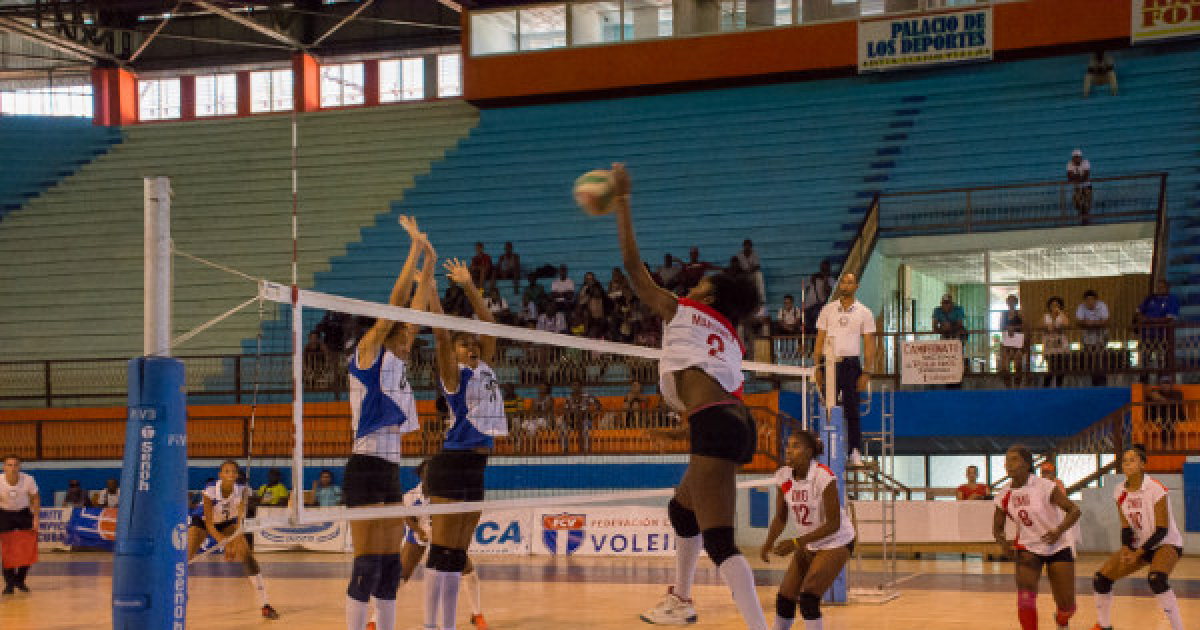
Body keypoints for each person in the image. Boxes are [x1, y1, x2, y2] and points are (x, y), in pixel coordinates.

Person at [606, 163, 767, 630]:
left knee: (720, 541)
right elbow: (705, 387)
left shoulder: (685, 310)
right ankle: (681, 598)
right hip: (732, 421)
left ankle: (761, 626)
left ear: (709, 296)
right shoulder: (729, 336)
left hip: (717, 423)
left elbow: (635, 272)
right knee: (681, 511)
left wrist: (621, 201)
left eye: (700, 284)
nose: (692, 286)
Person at [342, 215, 435, 630]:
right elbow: (397, 306)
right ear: (390, 333)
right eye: (404, 335)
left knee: (387, 568)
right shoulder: (367, 352)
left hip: (389, 470)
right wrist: (412, 248)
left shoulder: (398, 360)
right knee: (365, 568)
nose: (410, 341)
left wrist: (429, 261)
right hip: (364, 468)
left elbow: (418, 308)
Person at [419, 257, 507, 630]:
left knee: (457, 553)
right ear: (453, 354)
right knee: (441, 549)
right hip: (451, 463)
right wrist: (432, 294)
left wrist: (470, 285)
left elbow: (490, 326)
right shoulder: (453, 378)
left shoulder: (483, 366)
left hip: (476, 465)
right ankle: (430, 624)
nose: (472, 346)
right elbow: (441, 336)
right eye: (465, 344)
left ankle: (448, 625)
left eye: (473, 344)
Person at [761, 430, 855, 630]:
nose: (789, 450)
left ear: (808, 452)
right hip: (809, 541)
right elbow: (780, 517)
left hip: (836, 540)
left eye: (796, 446)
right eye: (788, 445)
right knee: (785, 598)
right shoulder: (784, 476)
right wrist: (768, 543)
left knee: (809, 597)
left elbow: (833, 525)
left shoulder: (823, 476)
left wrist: (795, 543)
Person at [1090, 445, 1185, 630]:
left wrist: (1138, 553)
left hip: (1166, 543)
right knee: (1100, 578)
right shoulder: (1119, 491)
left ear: (1142, 464)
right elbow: (1126, 526)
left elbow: (1162, 530)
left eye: (1132, 460)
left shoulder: (1156, 489)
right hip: (1139, 544)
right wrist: (1126, 548)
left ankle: (1178, 628)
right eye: (1124, 461)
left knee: (1156, 579)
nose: (1127, 464)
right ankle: (1104, 625)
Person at [993, 445, 1081, 630]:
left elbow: (1074, 510)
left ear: (1027, 464)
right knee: (1025, 600)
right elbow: (997, 528)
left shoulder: (1045, 486)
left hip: (1058, 545)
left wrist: (1059, 530)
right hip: (1028, 548)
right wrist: (1003, 544)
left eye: (1014, 459)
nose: (1008, 464)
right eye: (1006, 460)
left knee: (1067, 605)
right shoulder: (1004, 494)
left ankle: (1062, 620)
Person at [187, 460, 279, 619]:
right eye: (226, 471)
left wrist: (233, 544)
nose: (230, 474)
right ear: (220, 475)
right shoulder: (210, 490)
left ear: (237, 475)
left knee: (248, 557)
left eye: (233, 471)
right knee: (185, 557)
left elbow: (239, 524)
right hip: (202, 522)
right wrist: (225, 542)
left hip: (228, 522)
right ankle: (172, 595)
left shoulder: (243, 491)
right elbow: (209, 524)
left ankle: (265, 604)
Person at [813, 272, 876, 466]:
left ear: (856, 286)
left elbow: (869, 344)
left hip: (851, 365)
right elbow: (820, 339)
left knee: (852, 410)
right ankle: (823, 450)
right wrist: (817, 366)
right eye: (843, 282)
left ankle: (854, 451)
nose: (846, 285)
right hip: (829, 364)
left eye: (850, 282)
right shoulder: (828, 310)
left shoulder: (864, 312)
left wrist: (867, 371)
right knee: (826, 409)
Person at [0, 455, 39, 595]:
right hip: (4, 514)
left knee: (27, 550)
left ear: (20, 467)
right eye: (9, 465)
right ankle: (9, 584)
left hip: (23, 513)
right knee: (7, 551)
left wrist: (36, 518)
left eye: (15, 465)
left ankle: (20, 580)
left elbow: (35, 497)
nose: (12, 468)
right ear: (4, 467)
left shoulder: (28, 479)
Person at [1137, 280, 1180, 382]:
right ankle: (1144, 380)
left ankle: (1162, 380)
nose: (1159, 289)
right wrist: (1142, 318)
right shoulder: (1150, 298)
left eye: (1162, 287)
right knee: (1145, 358)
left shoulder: (1172, 299)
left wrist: (1150, 320)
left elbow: (1170, 318)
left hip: (1163, 335)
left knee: (1162, 358)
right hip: (1147, 335)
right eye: (1158, 287)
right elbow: (1138, 312)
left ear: (1167, 288)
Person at [1076, 289, 1110, 386]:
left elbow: (1105, 321)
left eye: (1092, 300)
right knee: (1091, 360)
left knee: (1101, 360)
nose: (1089, 302)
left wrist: (1091, 323)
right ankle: (1094, 383)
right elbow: (1079, 321)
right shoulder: (1081, 307)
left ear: (1096, 300)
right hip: (1088, 339)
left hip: (1101, 337)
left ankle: (1103, 383)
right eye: (1087, 300)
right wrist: (1094, 323)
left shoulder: (1102, 306)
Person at [999, 294, 1027, 388]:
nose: (1011, 303)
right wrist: (1008, 328)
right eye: (1009, 301)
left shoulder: (1020, 313)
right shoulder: (1004, 313)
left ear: (1016, 303)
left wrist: (1014, 328)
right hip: (1007, 341)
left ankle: (1017, 386)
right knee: (1004, 368)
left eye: (1013, 301)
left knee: (1018, 366)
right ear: (1007, 302)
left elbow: (1025, 326)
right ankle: (1008, 387)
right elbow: (1001, 327)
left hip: (1017, 342)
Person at [1042, 296, 1070, 388]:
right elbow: (1047, 327)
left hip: (1061, 345)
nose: (1054, 307)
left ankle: (1059, 388)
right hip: (1050, 346)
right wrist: (1054, 321)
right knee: (1051, 368)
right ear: (1049, 306)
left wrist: (1060, 313)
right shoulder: (1046, 316)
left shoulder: (1062, 315)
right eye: (1053, 305)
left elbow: (1066, 324)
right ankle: (1045, 389)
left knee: (1061, 368)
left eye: (1057, 305)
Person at [735, 239, 765, 306]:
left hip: (752, 272)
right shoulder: (739, 255)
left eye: (749, 246)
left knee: (759, 275)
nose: (747, 247)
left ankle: (762, 299)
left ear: (751, 247)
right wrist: (744, 272)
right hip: (743, 273)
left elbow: (757, 266)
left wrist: (750, 270)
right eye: (746, 246)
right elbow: (737, 267)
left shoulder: (754, 253)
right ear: (743, 246)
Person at [1067, 149, 1092, 223]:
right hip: (1077, 187)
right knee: (1077, 204)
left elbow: (1086, 176)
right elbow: (1069, 177)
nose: (1076, 158)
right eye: (1074, 157)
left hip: (1087, 186)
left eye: (1077, 157)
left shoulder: (1086, 162)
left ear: (1081, 157)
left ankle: (1085, 221)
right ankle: (1083, 219)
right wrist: (1080, 177)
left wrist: (1076, 177)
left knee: (1086, 204)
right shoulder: (1070, 164)